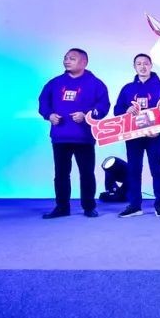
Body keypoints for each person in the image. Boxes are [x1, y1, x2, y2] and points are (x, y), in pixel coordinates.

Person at [38, 48, 110, 219]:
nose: (67, 61)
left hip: (84, 137)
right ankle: (62, 207)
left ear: (84, 62)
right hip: (60, 136)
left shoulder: (95, 84)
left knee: (86, 173)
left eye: (72, 58)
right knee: (61, 174)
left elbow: (103, 106)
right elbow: (43, 101)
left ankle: (89, 207)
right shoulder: (55, 83)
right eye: (65, 58)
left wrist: (87, 115)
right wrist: (49, 115)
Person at [113, 53, 160, 218]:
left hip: (155, 136)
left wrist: (159, 130)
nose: (142, 66)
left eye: (145, 63)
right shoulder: (127, 89)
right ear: (134, 67)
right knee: (133, 170)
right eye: (139, 64)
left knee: (156, 169)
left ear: (151, 65)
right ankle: (134, 205)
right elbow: (117, 110)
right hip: (133, 136)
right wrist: (126, 110)